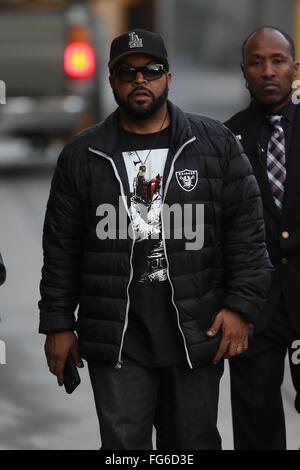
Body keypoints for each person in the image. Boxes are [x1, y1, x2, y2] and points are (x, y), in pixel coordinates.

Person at [39, 28, 271, 450]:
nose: (139, 79)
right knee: (124, 449)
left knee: (193, 445)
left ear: (169, 76)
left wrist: (240, 307)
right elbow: (60, 250)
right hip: (118, 340)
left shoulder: (214, 144)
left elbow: (247, 235)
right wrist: (58, 324)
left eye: (151, 70)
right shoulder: (82, 156)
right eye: (127, 72)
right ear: (111, 81)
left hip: (195, 334)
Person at [225, 26, 300, 450]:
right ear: (244, 72)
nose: (267, 70)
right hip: (253, 308)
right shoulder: (224, 140)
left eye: (277, 61)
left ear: (294, 68)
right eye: (257, 62)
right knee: (255, 425)